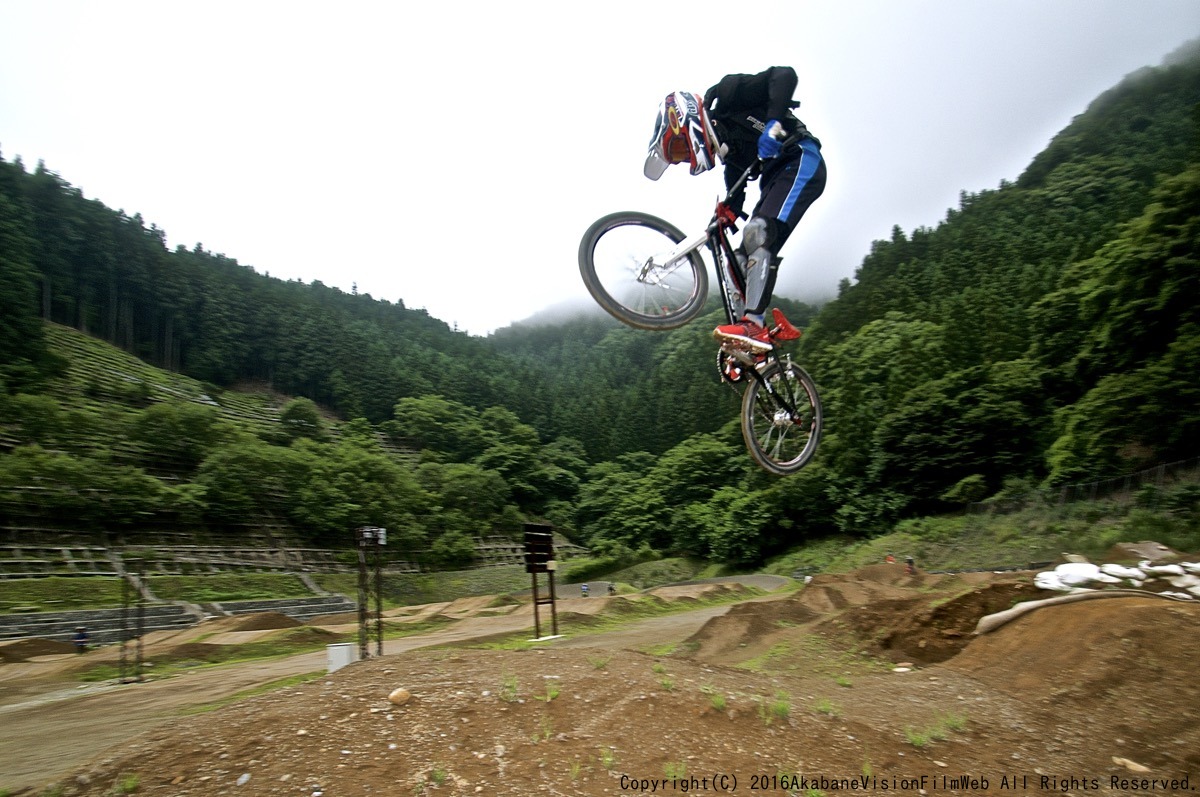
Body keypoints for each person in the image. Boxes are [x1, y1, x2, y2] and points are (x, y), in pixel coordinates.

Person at [643, 66, 827, 350]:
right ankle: (749, 343)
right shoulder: (730, 150)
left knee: (759, 232)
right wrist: (730, 208)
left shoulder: (729, 96)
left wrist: (773, 125)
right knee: (738, 259)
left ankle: (754, 324)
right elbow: (736, 185)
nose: (685, 159)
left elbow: (784, 76)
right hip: (775, 177)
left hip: (801, 157)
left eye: (680, 150)